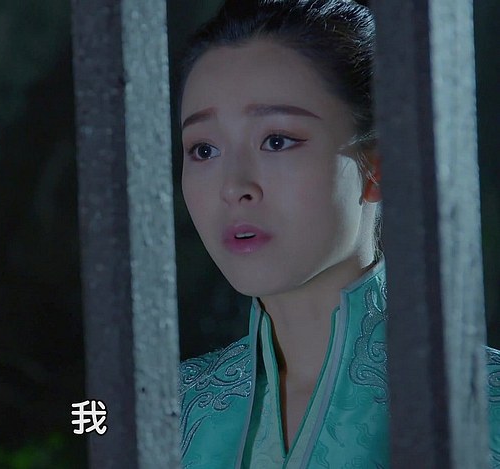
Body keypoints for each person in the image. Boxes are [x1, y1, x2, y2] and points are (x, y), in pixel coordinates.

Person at [175, 0, 500, 467]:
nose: (234, 187)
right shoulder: (170, 407)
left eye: (277, 141)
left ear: (377, 166)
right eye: (204, 149)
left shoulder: (484, 406)